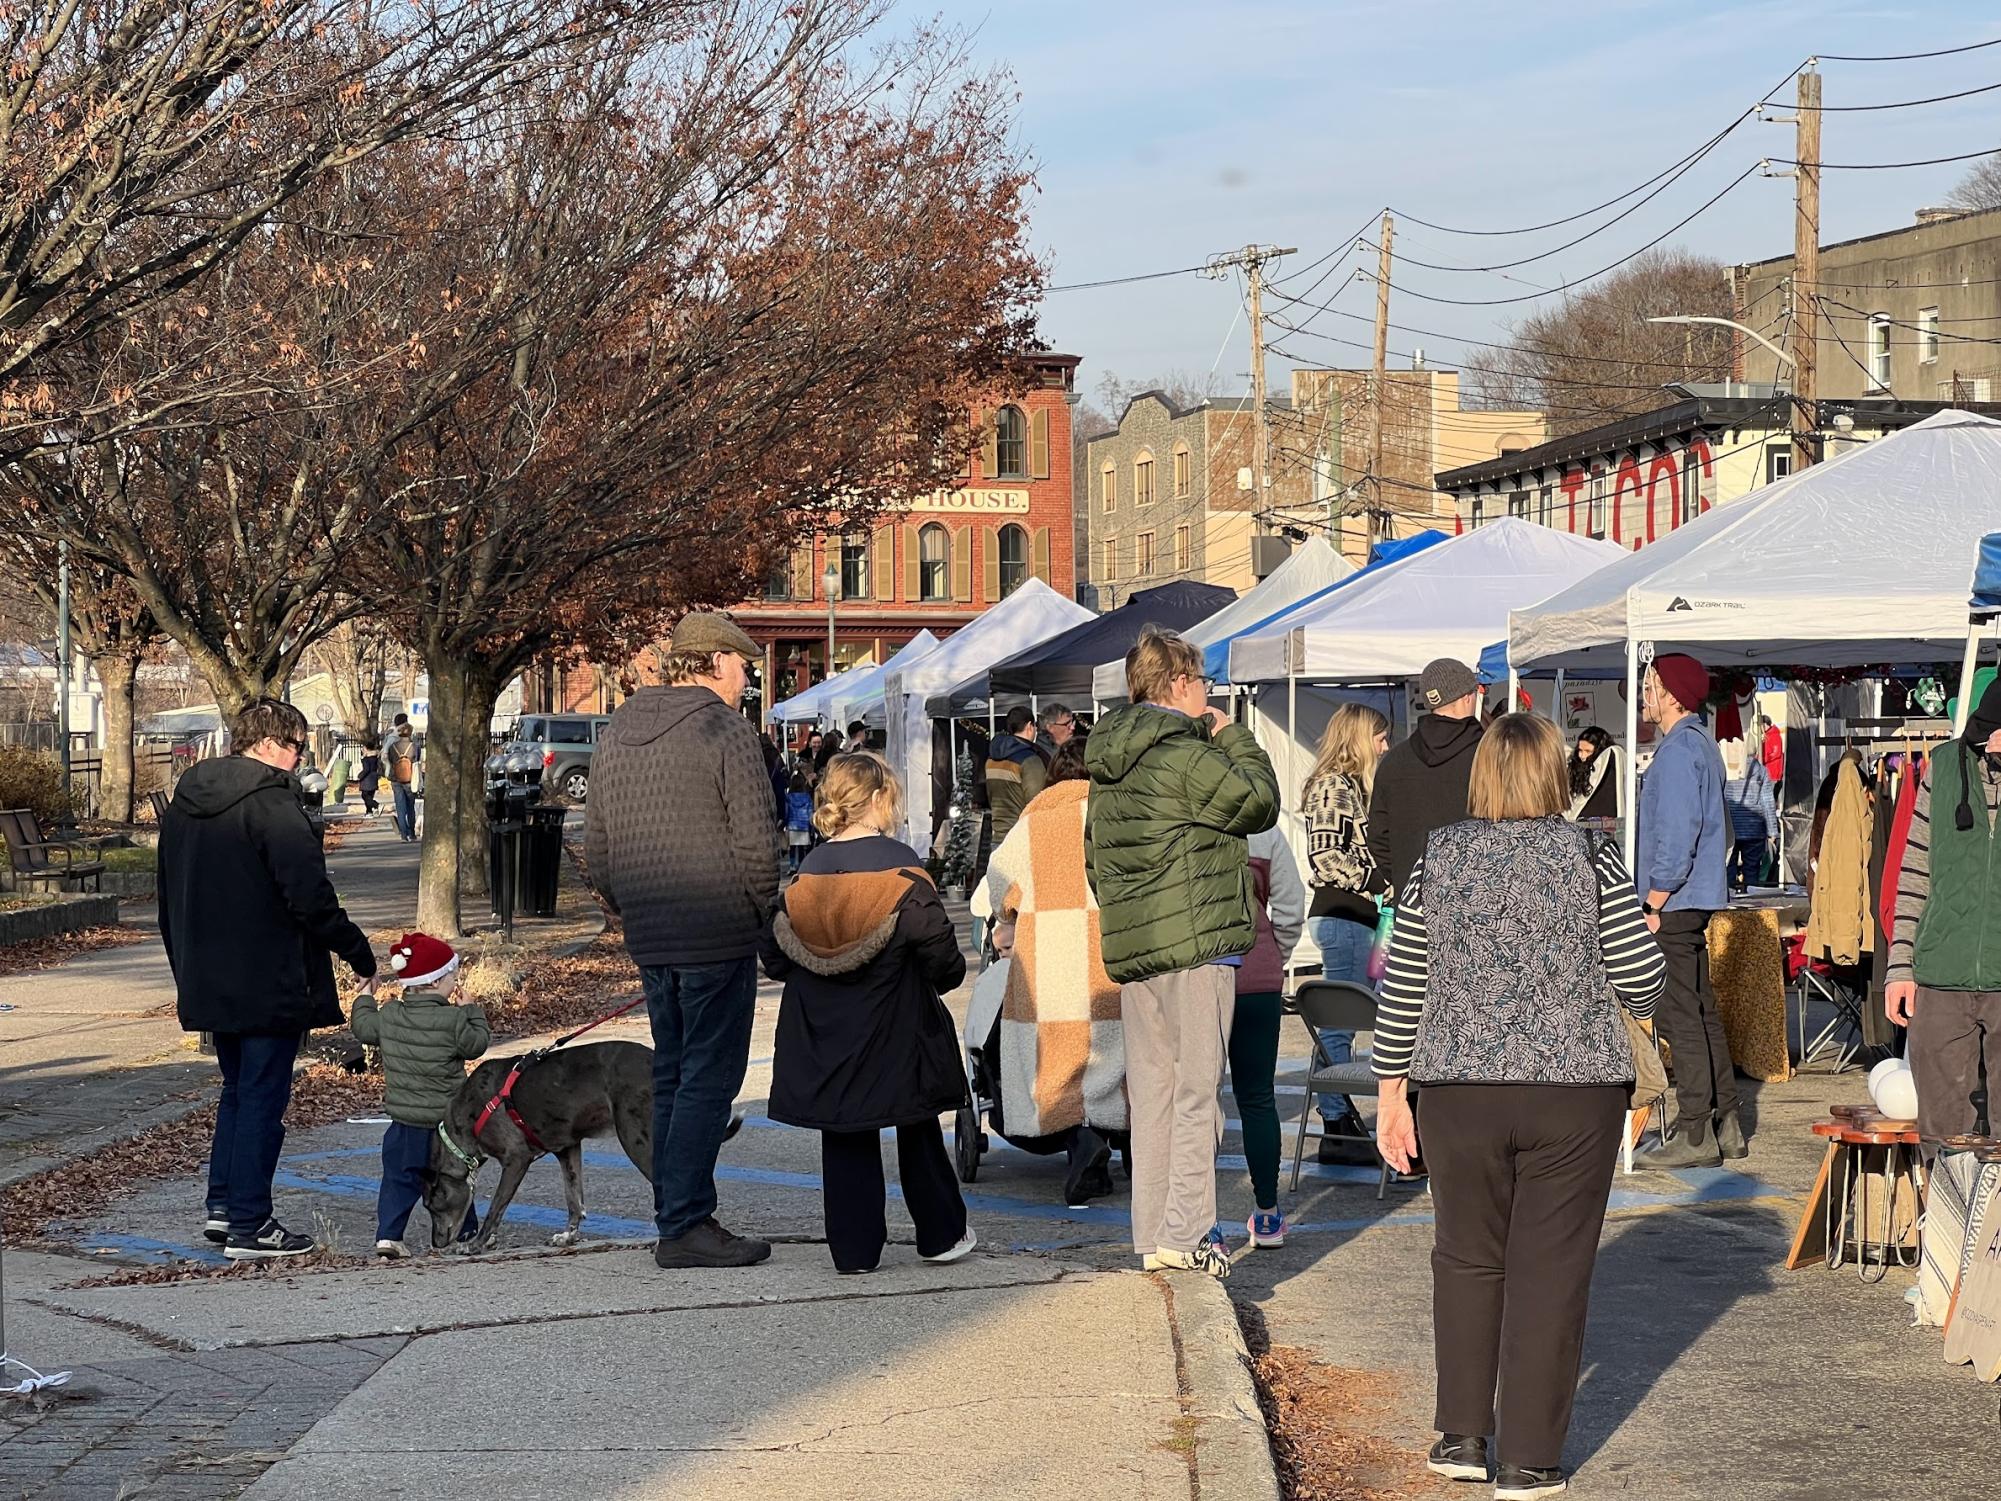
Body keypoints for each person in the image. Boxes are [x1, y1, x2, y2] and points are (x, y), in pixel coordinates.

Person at [1371, 714, 1665, 1497]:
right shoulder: (1591, 856)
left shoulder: (1437, 857)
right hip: (1573, 1094)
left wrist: (1388, 1091)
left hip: (1458, 1089)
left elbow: (1404, 984)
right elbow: (1642, 979)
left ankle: (1462, 1435)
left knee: (1466, 1255)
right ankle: (1529, 1459)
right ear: (1553, 778)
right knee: (1550, 1270)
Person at [584, 612, 780, 1269]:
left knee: (672, 1071)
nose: (747, 678)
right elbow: (756, 846)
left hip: (653, 931)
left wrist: (630, 907)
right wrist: (767, 920)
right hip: (714, 926)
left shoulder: (617, 731)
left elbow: (598, 849)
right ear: (715, 661)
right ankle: (686, 1222)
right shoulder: (724, 729)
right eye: (744, 666)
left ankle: (676, 1214)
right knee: (706, 1078)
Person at [1086, 627, 1279, 1278]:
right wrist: (1232, 736)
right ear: (1177, 684)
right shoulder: (1184, 751)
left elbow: (1096, 862)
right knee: (1197, 1094)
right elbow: (1257, 802)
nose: (1208, 692)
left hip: (1138, 949)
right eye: (1202, 681)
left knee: (1154, 1094)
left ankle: (1154, 1234)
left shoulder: (1111, 764)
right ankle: (1190, 1231)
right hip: (1196, 944)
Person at [159, 698, 379, 1260]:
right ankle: (251, 1223)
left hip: (208, 972)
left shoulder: (186, 803)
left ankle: (225, 1206)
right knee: (261, 1098)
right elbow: (309, 897)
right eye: (297, 745)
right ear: (268, 744)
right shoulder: (273, 805)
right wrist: (358, 952)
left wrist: (185, 968)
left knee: (239, 1092)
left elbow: (166, 897)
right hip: (270, 975)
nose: (301, 756)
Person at [762, 752, 974, 1274]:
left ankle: (854, 1251)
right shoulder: (900, 871)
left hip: (823, 1034)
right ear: (879, 799)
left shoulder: (804, 877)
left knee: (844, 1134)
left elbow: (774, 957)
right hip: (896, 1027)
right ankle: (941, 1235)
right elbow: (943, 959)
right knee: (917, 1126)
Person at [974, 736, 1127, 1207]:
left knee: (1055, 1061)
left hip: (1049, 965)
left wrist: (1008, 917)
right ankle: (1105, 1139)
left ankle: (1080, 1143)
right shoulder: (1116, 814)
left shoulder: (1034, 820)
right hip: (1109, 959)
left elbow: (999, 886)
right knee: (1111, 1056)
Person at [1630, 652, 1739, 1170]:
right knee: (1700, 1009)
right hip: (1693, 898)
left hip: (1673, 901)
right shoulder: (1701, 745)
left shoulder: (1677, 753)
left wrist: (1653, 899)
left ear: (1672, 695)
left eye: (1651, 685)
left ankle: (1695, 1131)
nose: (1645, 694)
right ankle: (1726, 1123)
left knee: (1680, 1015)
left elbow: (1677, 836)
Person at [1886, 677, 2001, 1138]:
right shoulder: (1945, 769)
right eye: (1991, 730)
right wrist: (1900, 969)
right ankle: (1945, 1211)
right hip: (1940, 979)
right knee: (1942, 1134)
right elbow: (1914, 875)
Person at [350, 931, 488, 1258]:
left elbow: (363, 1027)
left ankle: (389, 1235)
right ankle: (464, 1232)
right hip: (447, 1124)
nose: (455, 982)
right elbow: (476, 1045)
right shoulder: (454, 1019)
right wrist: (471, 1011)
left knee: (399, 1179)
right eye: (453, 976)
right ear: (438, 981)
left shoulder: (391, 1016)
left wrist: (366, 995)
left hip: (404, 1122)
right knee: (454, 1177)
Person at [1300, 703, 1390, 1163]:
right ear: (1359, 739)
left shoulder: (1351, 784)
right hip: (1343, 912)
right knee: (1340, 1022)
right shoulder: (1334, 785)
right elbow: (1326, 854)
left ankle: (1338, 1115)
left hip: (1357, 915)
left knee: (1349, 1018)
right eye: (1379, 738)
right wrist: (1373, 880)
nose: (1385, 747)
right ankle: (1335, 1121)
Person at [1230, 821, 1305, 1246]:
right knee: (1257, 1097)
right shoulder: (1263, 829)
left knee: (1195, 1099)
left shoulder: (1181, 809)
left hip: (1198, 973)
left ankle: (1197, 1223)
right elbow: (1291, 908)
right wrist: (1276, 954)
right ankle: (1267, 1213)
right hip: (1257, 974)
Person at [1368, 659, 1485, 900]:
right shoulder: (1491, 757)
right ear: (1467, 697)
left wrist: (1408, 879)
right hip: (1479, 905)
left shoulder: (1394, 762)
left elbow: (1379, 839)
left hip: (1414, 906)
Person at [985, 704, 1050, 849]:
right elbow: (1037, 803)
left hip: (997, 837)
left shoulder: (991, 759)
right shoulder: (1030, 760)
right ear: (1029, 726)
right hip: (1021, 839)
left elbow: (990, 797)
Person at [1723, 751, 1777, 893]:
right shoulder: (1761, 771)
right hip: (1754, 828)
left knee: (1728, 867)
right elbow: (1767, 802)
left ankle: (1728, 905)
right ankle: (1752, 904)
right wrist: (1772, 831)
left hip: (1729, 827)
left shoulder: (1724, 769)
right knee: (1752, 870)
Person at [1565, 726, 1621, 824]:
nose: (1582, 756)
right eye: (1580, 751)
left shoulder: (1609, 768)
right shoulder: (1574, 769)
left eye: (1588, 751)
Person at [384, 717, 419, 842]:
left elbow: (389, 760)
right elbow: (417, 762)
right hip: (410, 779)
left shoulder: (393, 746)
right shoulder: (414, 746)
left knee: (400, 806)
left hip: (396, 778)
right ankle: (412, 833)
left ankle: (403, 834)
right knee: (411, 806)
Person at [784, 770, 815, 872]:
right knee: (802, 847)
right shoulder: (807, 797)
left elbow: (787, 811)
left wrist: (785, 822)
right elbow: (810, 811)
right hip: (804, 825)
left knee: (792, 847)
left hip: (792, 824)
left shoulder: (789, 798)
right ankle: (801, 866)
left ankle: (792, 865)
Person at [355, 738, 383, 817]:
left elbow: (366, 769)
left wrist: (360, 776)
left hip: (367, 780)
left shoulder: (366, 759)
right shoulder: (376, 757)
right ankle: (369, 812)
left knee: (365, 796)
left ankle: (376, 805)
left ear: (366, 749)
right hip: (374, 778)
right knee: (370, 796)